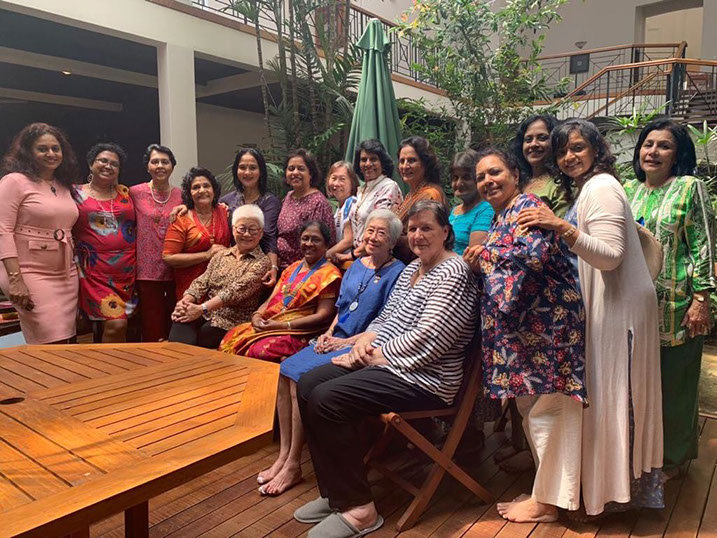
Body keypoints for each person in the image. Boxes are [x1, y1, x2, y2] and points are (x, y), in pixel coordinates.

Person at [293, 200, 477, 537]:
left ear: (445, 232)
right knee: (308, 383)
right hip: (393, 365)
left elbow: (430, 339)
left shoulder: (454, 272)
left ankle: (360, 509)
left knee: (327, 399)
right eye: (413, 228)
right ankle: (335, 494)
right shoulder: (413, 268)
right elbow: (388, 317)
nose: (418, 235)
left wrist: (373, 355)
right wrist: (363, 341)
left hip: (428, 379)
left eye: (427, 228)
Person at [516, 118, 664, 517]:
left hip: (618, 311)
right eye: (562, 151)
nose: (568, 156)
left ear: (597, 149)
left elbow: (610, 256)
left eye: (577, 147)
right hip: (609, 307)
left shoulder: (601, 187)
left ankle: (612, 496)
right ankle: (600, 493)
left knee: (614, 398)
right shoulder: (589, 188)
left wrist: (560, 226)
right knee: (605, 401)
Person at [464, 148, 586, 523]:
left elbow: (530, 259)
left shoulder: (528, 206)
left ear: (515, 175)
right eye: (481, 177)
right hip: (525, 336)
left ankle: (549, 502)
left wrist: (483, 256)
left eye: (495, 172)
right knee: (531, 411)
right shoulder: (502, 216)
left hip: (548, 331)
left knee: (549, 412)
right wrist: (483, 257)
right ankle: (544, 492)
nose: (488, 181)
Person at [257, 209, 405, 496]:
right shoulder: (357, 265)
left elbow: (385, 324)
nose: (373, 237)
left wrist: (344, 343)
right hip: (335, 338)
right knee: (284, 370)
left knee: (298, 378)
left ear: (393, 241)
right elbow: (342, 308)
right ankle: (284, 454)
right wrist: (329, 332)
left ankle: (294, 464)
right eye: (370, 230)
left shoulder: (397, 272)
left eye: (382, 233)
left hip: (361, 346)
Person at [624, 119, 715, 479]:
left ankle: (674, 458)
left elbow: (703, 245)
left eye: (664, 146)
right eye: (648, 144)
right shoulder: (629, 190)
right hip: (634, 306)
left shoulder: (690, 188)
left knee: (674, 385)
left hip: (676, 308)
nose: (653, 152)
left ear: (678, 154)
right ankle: (641, 451)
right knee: (639, 385)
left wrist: (702, 299)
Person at [0, 123, 80, 344]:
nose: (51, 154)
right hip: (28, 272)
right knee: (48, 337)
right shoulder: (14, 181)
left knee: (67, 337)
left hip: (66, 273)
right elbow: (3, 230)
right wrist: (16, 280)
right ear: (28, 152)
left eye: (55, 148)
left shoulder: (63, 185)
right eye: (42, 149)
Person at [220, 220, 341, 360]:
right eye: (305, 238)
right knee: (230, 337)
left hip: (299, 331)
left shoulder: (330, 275)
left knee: (260, 351)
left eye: (316, 240)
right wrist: (257, 315)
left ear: (326, 245)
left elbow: (323, 315)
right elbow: (271, 299)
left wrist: (283, 325)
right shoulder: (292, 268)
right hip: (271, 323)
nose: (309, 243)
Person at [172, 148, 281, 287]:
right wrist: (186, 206)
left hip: (259, 267)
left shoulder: (270, 202)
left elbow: (270, 237)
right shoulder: (228, 200)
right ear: (236, 170)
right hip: (231, 267)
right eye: (242, 167)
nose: (247, 172)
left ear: (261, 171)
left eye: (253, 168)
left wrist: (273, 268)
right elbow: (204, 205)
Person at [168, 204, 271, 349]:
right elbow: (202, 281)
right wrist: (185, 302)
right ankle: (177, 361)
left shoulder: (262, 262)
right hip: (206, 313)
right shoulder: (221, 255)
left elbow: (233, 292)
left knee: (204, 334)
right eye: (242, 228)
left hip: (232, 321)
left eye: (253, 230)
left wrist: (201, 308)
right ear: (233, 230)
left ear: (260, 233)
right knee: (180, 318)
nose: (247, 234)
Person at [73, 143, 136, 343]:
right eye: (103, 161)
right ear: (91, 164)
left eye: (114, 164)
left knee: (120, 324)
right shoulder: (75, 193)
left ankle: (112, 360)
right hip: (92, 270)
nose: (108, 166)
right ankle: (107, 361)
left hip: (126, 270)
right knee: (116, 323)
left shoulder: (125, 193)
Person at [129, 144, 183, 342]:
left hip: (176, 268)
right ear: (148, 166)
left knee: (174, 321)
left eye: (165, 162)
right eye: (155, 161)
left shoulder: (182, 195)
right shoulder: (134, 192)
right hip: (146, 271)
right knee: (151, 324)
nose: (160, 166)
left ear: (172, 166)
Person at [162, 167, 231, 299]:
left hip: (221, 288)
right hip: (190, 290)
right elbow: (168, 257)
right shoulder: (181, 218)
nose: (202, 190)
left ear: (214, 190)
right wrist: (206, 255)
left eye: (206, 186)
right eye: (196, 187)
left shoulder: (224, 212)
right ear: (189, 193)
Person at [340, 139, 403, 263]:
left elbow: (380, 229)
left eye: (373, 159)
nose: (368, 164)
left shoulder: (388, 187)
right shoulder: (361, 190)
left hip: (378, 258)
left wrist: (352, 255)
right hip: (360, 258)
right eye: (363, 160)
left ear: (382, 163)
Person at [276, 150, 335, 271]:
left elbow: (319, 245)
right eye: (291, 169)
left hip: (304, 270)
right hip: (281, 267)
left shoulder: (318, 202)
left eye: (301, 169)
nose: (295, 172)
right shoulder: (288, 196)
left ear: (311, 174)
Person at [394, 136, 447, 264]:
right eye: (402, 161)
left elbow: (426, 238)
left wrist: (389, 238)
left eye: (411, 160)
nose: (405, 166)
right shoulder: (410, 194)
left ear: (425, 163)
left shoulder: (430, 194)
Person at [511, 114, 570, 217]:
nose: (533, 144)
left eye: (542, 138)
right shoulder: (518, 181)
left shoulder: (562, 183)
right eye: (528, 139)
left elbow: (562, 224)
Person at [449, 149, 494, 255]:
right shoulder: (455, 210)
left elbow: (473, 256)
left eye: (466, 177)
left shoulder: (486, 209)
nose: (459, 183)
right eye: (455, 178)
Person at [325, 161, 359, 264]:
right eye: (334, 178)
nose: (336, 184)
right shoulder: (340, 207)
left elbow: (349, 240)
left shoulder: (351, 203)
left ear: (352, 182)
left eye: (342, 179)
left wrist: (324, 255)